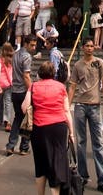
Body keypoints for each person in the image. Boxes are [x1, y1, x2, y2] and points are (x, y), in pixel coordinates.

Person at [22, 60, 74, 195]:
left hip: (39, 129)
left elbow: (24, 108)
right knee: (56, 164)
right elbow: (67, 111)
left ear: (39, 73)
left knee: (40, 164)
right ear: (53, 73)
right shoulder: (61, 87)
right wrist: (71, 133)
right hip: (58, 128)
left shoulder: (33, 87)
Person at [67, 38, 103, 194]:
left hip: (95, 106)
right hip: (80, 105)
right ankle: (83, 176)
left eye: (92, 46)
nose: (90, 48)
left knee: (98, 143)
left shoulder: (99, 63)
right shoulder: (78, 65)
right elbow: (72, 86)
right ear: (82, 47)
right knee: (80, 143)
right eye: (87, 46)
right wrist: (66, 106)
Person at [6, 34, 38, 156]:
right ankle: (24, 147)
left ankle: (11, 145)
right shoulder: (26, 57)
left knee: (18, 118)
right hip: (24, 92)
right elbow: (26, 76)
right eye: (32, 45)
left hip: (15, 91)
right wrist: (31, 90)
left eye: (35, 45)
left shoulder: (16, 54)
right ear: (26, 43)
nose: (34, 47)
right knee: (28, 119)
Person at [0, 41, 15, 130]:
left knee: (0, 102)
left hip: (1, 83)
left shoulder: (0, 60)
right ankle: (8, 121)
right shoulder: (12, 59)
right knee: (8, 103)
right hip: (9, 84)